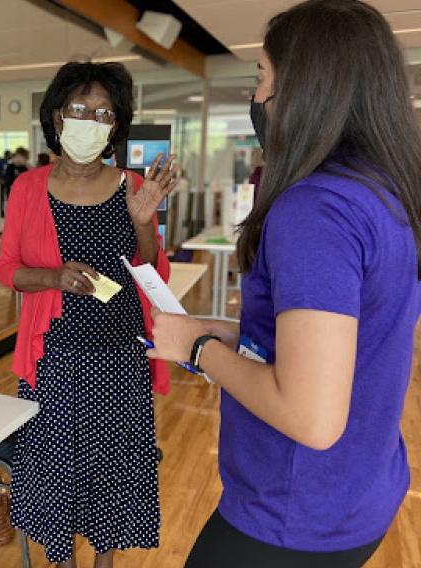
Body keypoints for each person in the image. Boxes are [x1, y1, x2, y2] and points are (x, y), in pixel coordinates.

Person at [145, 2, 421, 567]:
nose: (258, 96)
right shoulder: (385, 195)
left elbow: (311, 417)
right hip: (358, 495)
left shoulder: (314, 210)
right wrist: (228, 331)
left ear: (307, 90)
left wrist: (196, 350)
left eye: (262, 77)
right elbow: (351, 337)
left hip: (293, 514)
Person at [0, 61, 179, 568]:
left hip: (119, 355)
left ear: (116, 126)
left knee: (111, 466)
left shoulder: (132, 185)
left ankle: (104, 562)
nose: (90, 120)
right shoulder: (28, 188)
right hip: (51, 355)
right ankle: (63, 561)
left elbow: (150, 270)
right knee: (54, 466)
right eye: (80, 108)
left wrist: (144, 221)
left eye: (104, 112)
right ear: (57, 115)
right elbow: (7, 268)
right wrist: (53, 277)